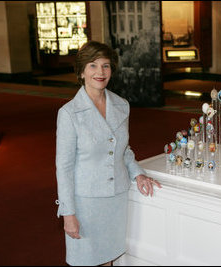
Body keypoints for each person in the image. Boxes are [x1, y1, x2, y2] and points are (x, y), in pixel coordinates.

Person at [55, 41, 162, 266]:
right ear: (81, 71)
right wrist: (68, 214)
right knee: (85, 260)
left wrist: (138, 174)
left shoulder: (122, 105)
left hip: (116, 199)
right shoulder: (69, 113)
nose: (100, 72)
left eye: (106, 66)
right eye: (93, 66)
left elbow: (123, 150)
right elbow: (63, 168)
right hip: (86, 203)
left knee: (108, 261)